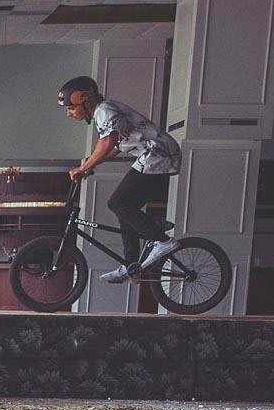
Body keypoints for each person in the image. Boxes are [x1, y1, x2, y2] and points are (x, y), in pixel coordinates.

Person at [59, 75, 182, 282]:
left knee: (117, 203)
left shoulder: (104, 111)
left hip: (158, 154)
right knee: (125, 209)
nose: (68, 113)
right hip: (153, 156)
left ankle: (161, 240)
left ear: (85, 99)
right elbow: (115, 147)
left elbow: (107, 143)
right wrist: (89, 167)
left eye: (71, 108)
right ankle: (131, 265)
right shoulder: (102, 113)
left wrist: (84, 167)